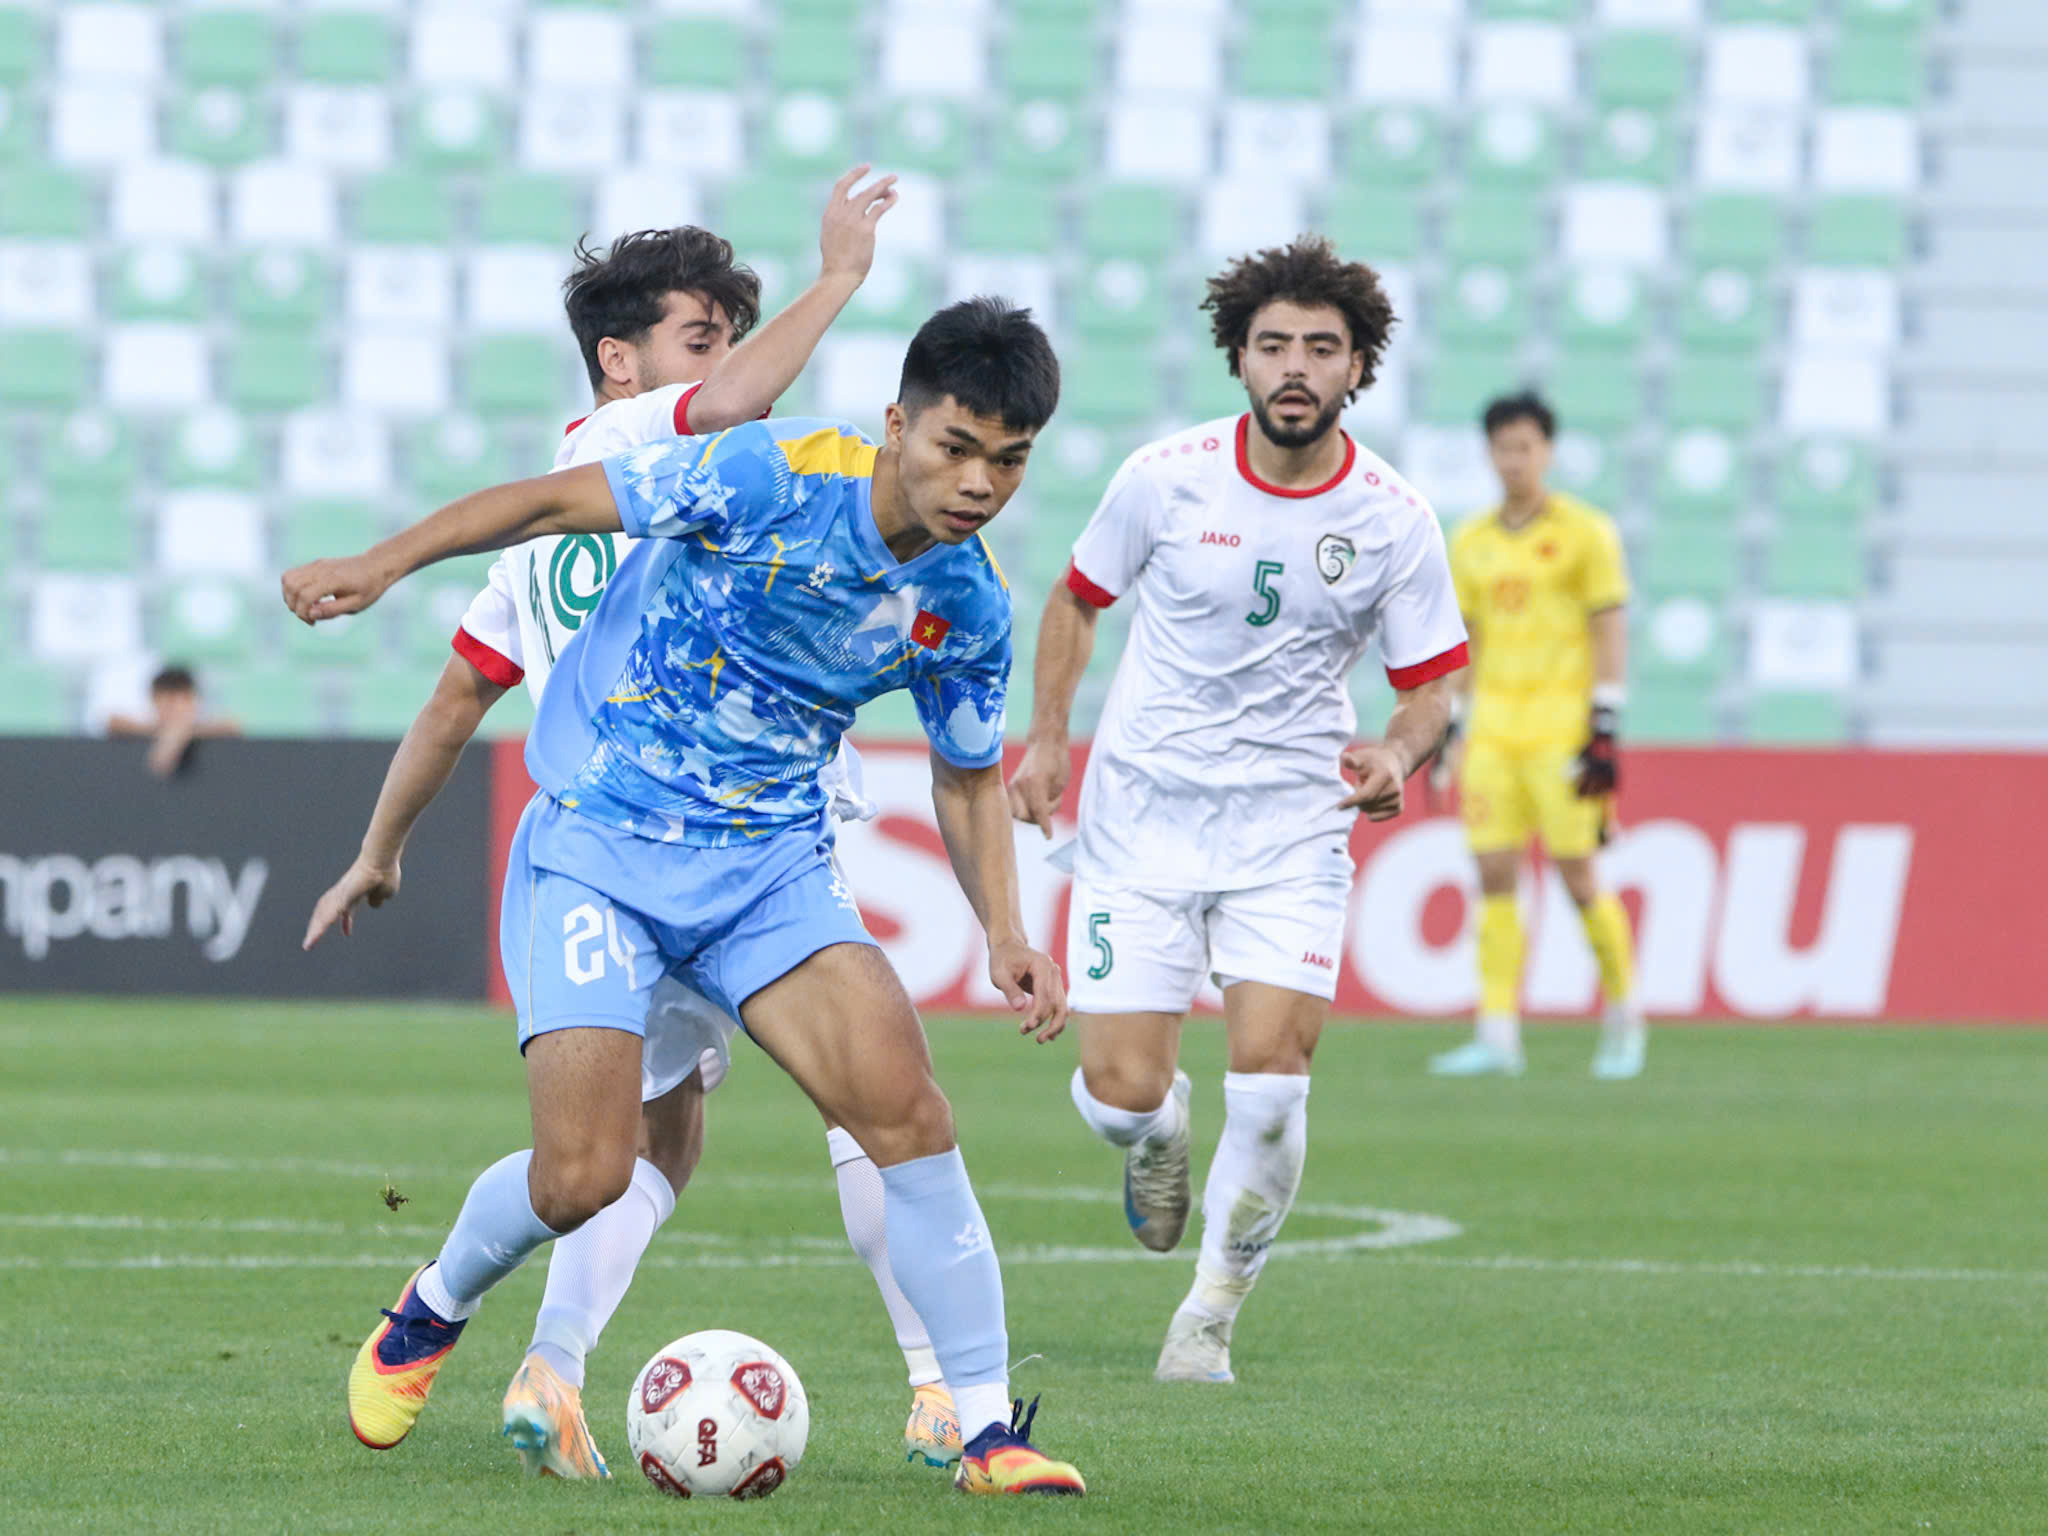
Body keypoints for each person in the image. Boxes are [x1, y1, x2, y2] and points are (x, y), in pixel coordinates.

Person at [284, 296, 1087, 1497]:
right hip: (599, 846)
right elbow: (548, 505)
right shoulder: (772, 474)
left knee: (908, 1116)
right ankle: (432, 1307)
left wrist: (1007, 933)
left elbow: (968, 780)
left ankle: (983, 1433)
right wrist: (380, 564)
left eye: (1007, 461)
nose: (977, 484)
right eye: (955, 447)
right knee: (582, 1178)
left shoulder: (965, 603)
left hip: (767, 874)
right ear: (896, 425)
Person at [1005, 235, 1467, 1385]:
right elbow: (1074, 598)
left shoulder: (1393, 518)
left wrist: (1397, 751)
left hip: (1289, 831)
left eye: (1320, 347)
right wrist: (1048, 736)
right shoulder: (1163, 478)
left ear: (1357, 367)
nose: (1294, 366)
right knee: (1118, 1096)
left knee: (1268, 1085)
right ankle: (1156, 1134)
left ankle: (1207, 1316)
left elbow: (1432, 686)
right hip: (1140, 821)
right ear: (1238, 359)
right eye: (1272, 345)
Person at [1426, 391, 1645, 1080]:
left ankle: (1624, 1015)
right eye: (1503, 448)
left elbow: (1608, 626)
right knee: (1494, 874)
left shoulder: (1586, 533)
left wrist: (1605, 721)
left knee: (1579, 877)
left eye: (1526, 447)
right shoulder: (1471, 540)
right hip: (1494, 734)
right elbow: (1466, 640)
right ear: (1489, 453)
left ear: (1546, 451)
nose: (1514, 460)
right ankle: (1497, 1033)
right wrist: (1449, 724)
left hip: (1561, 733)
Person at [106, 664, 240, 778]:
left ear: (193, 700)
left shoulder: (206, 721)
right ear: (154, 700)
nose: (176, 709)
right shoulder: (144, 719)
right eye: (168, 703)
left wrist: (182, 732)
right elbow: (113, 721)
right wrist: (166, 732)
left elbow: (231, 726)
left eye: (183, 700)